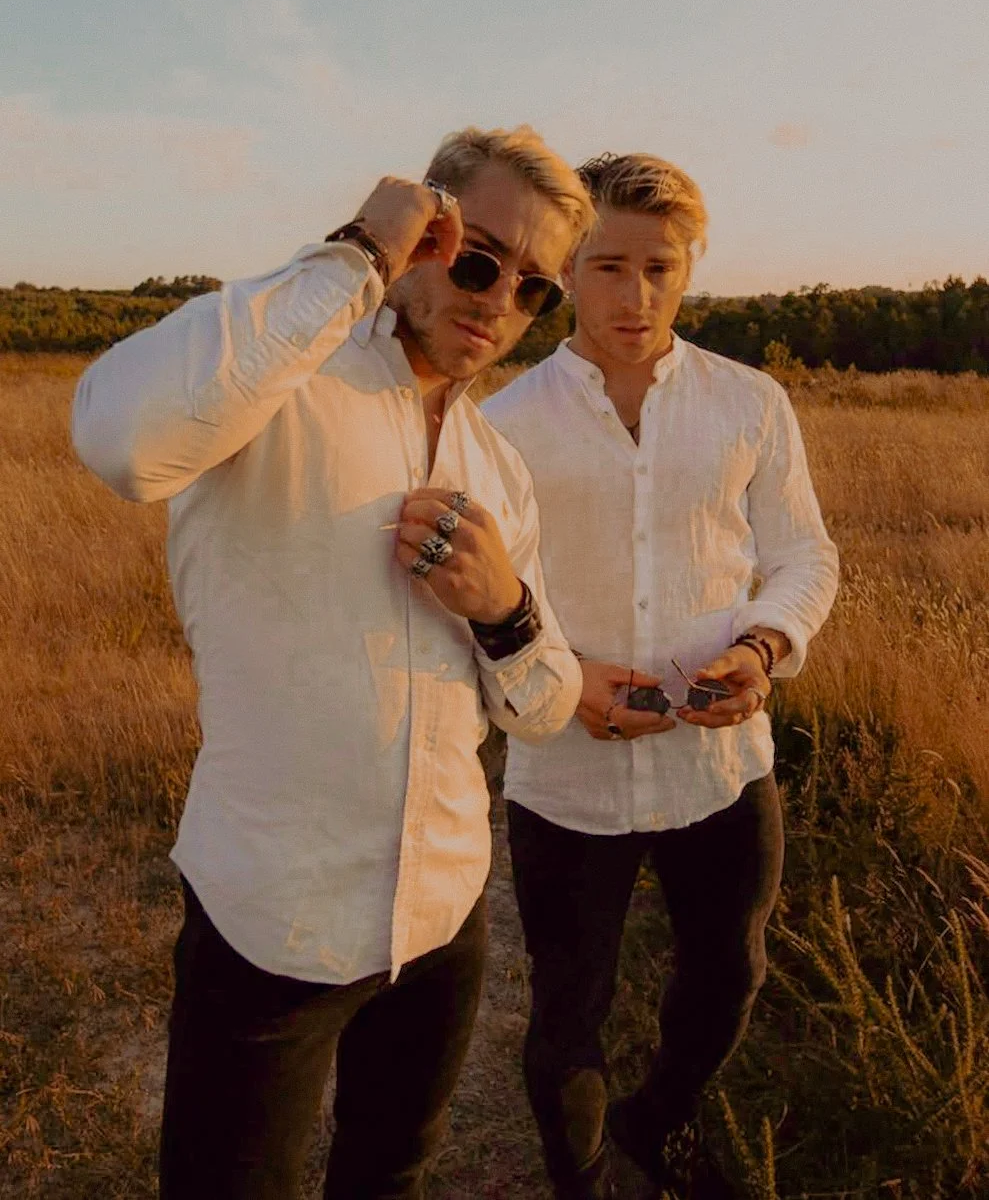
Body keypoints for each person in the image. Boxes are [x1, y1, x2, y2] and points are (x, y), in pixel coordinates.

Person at [71, 125, 597, 1200]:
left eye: (534, 288)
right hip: (276, 915)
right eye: (478, 257)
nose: (497, 299)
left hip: (441, 916)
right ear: (427, 233)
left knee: (389, 1174)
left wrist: (502, 608)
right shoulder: (278, 387)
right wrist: (356, 250)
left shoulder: (497, 465)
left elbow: (543, 707)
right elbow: (123, 438)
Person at [483, 151, 839, 1199]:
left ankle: (653, 1119)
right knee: (566, 1008)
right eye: (604, 265)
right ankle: (580, 1177)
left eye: (658, 265)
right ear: (565, 265)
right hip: (565, 775)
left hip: (721, 767)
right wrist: (565, 676)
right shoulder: (501, 425)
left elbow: (802, 555)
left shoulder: (751, 401)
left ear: (688, 268)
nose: (632, 294)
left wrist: (761, 646)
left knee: (729, 975)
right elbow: (487, 599)